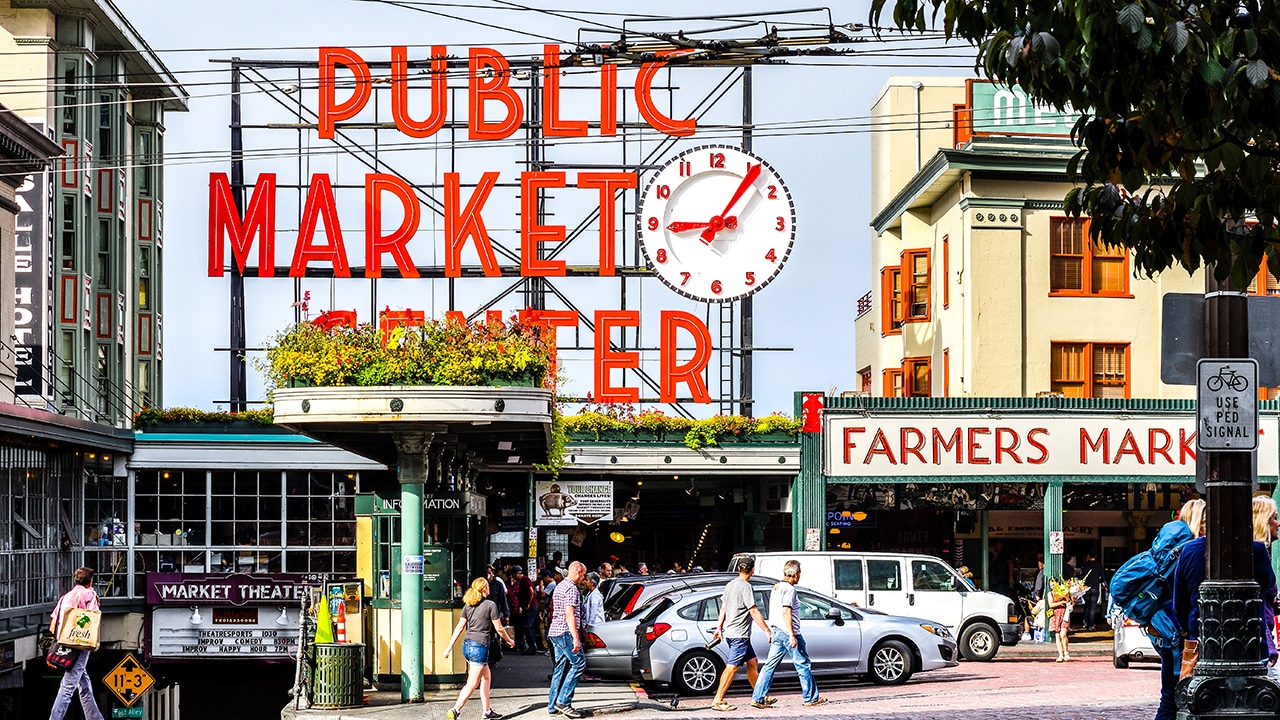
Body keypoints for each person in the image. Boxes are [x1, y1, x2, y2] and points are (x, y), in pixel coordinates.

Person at [1146, 498, 1205, 720]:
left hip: (1166, 630)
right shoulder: (1191, 552)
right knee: (1178, 697)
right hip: (1181, 633)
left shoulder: (1170, 552)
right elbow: (1183, 600)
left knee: (1169, 696)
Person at [751, 560, 827, 708]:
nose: (799, 576)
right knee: (803, 664)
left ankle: (758, 697)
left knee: (769, 666)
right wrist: (792, 634)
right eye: (799, 573)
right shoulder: (790, 589)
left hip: (777, 631)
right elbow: (786, 610)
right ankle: (810, 697)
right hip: (788, 632)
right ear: (796, 573)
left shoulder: (776, 587)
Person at [443, 578, 516, 720]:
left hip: (468, 646)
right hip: (480, 647)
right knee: (472, 683)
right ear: (484, 589)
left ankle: (487, 711)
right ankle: (455, 710)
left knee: (486, 677)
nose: (489, 588)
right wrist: (510, 640)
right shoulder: (490, 605)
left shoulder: (468, 605)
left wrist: (449, 647)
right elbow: (499, 628)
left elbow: (460, 627)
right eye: (487, 586)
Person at [709, 555, 774, 712]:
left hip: (732, 632)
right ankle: (717, 700)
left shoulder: (730, 584)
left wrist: (719, 627)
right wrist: (767, 630)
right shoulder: (746, 587)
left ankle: (759, 697)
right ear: (752, 570)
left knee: (752, 662)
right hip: (740, 634)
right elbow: (753, 610)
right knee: (732, 667)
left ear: (739, 569)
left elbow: (723, 607)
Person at [48, 567, 104, 720]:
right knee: (68, 685)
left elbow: (54, 622)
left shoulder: (65, 596)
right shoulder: (90, 595)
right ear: (90, 581)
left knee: (83, 681)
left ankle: (95, 717)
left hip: (65, 640)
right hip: (80, 643)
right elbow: (93, 619)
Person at [547, 561, 588, 719]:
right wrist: (576, 638)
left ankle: (552, 705)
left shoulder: (560, 585)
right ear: (578, 572)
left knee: (560, 668)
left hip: (555, 631)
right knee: (579, 664)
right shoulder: (571, 588)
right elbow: (569, 613)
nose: (583, 578)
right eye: (583, 575)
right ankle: (563, 701)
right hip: (565, 632)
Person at [1253, 495, 1280, 667]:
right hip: (1260, 641)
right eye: (1274, 518)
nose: (1278, 523)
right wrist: (1269, 648)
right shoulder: (1258, 551)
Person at [1080, 552, 1106, 631]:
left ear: (1089, 556)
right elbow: (1102, 577)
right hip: (1095, 588)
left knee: (1087, 605)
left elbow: (1082, 576)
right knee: (1093, 607)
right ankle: (1091, 625)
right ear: (1096, 556)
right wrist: (1105, 586)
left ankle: (1086, 622)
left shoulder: (1086, 565)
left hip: (1086, 588)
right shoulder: (1098, 565)